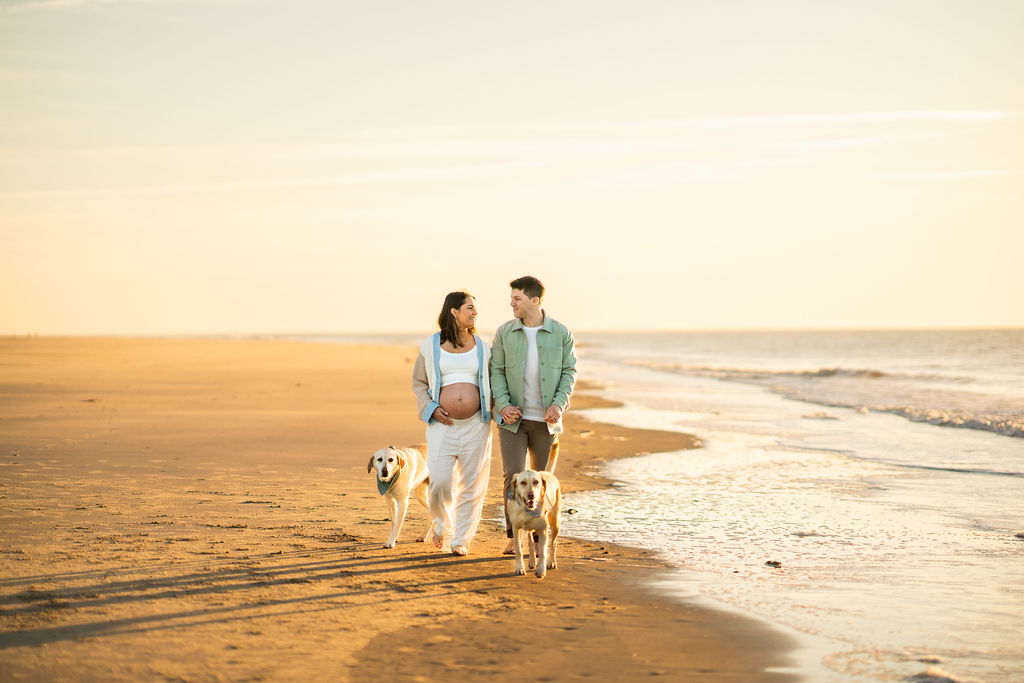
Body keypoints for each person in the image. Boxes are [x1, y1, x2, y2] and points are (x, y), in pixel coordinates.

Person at [490, 275, 577, 555]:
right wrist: (503, 404)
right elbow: (497, 372)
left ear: (534, 300)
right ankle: (513, 535)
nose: (511, 303)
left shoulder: (561, 333)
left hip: (546, 421)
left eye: (517, 298)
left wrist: (559, 404)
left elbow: (569, 372)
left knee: (541, 480)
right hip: (512, 420)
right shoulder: (505, 332)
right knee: (513, 476)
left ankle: (539, 539)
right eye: (512, 298)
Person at [412, 291, 493, 556]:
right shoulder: (430, 345)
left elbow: (495, 381)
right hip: (441, 425)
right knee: (440, 482)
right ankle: (441, 525)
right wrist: (431, 410)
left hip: (475, 426)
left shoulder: (483, 346)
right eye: (470, 308)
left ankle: (461, 539)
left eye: (475, 309)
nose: (475, 313)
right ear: (454, 312)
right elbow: (419, 383)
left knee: (472, 484)